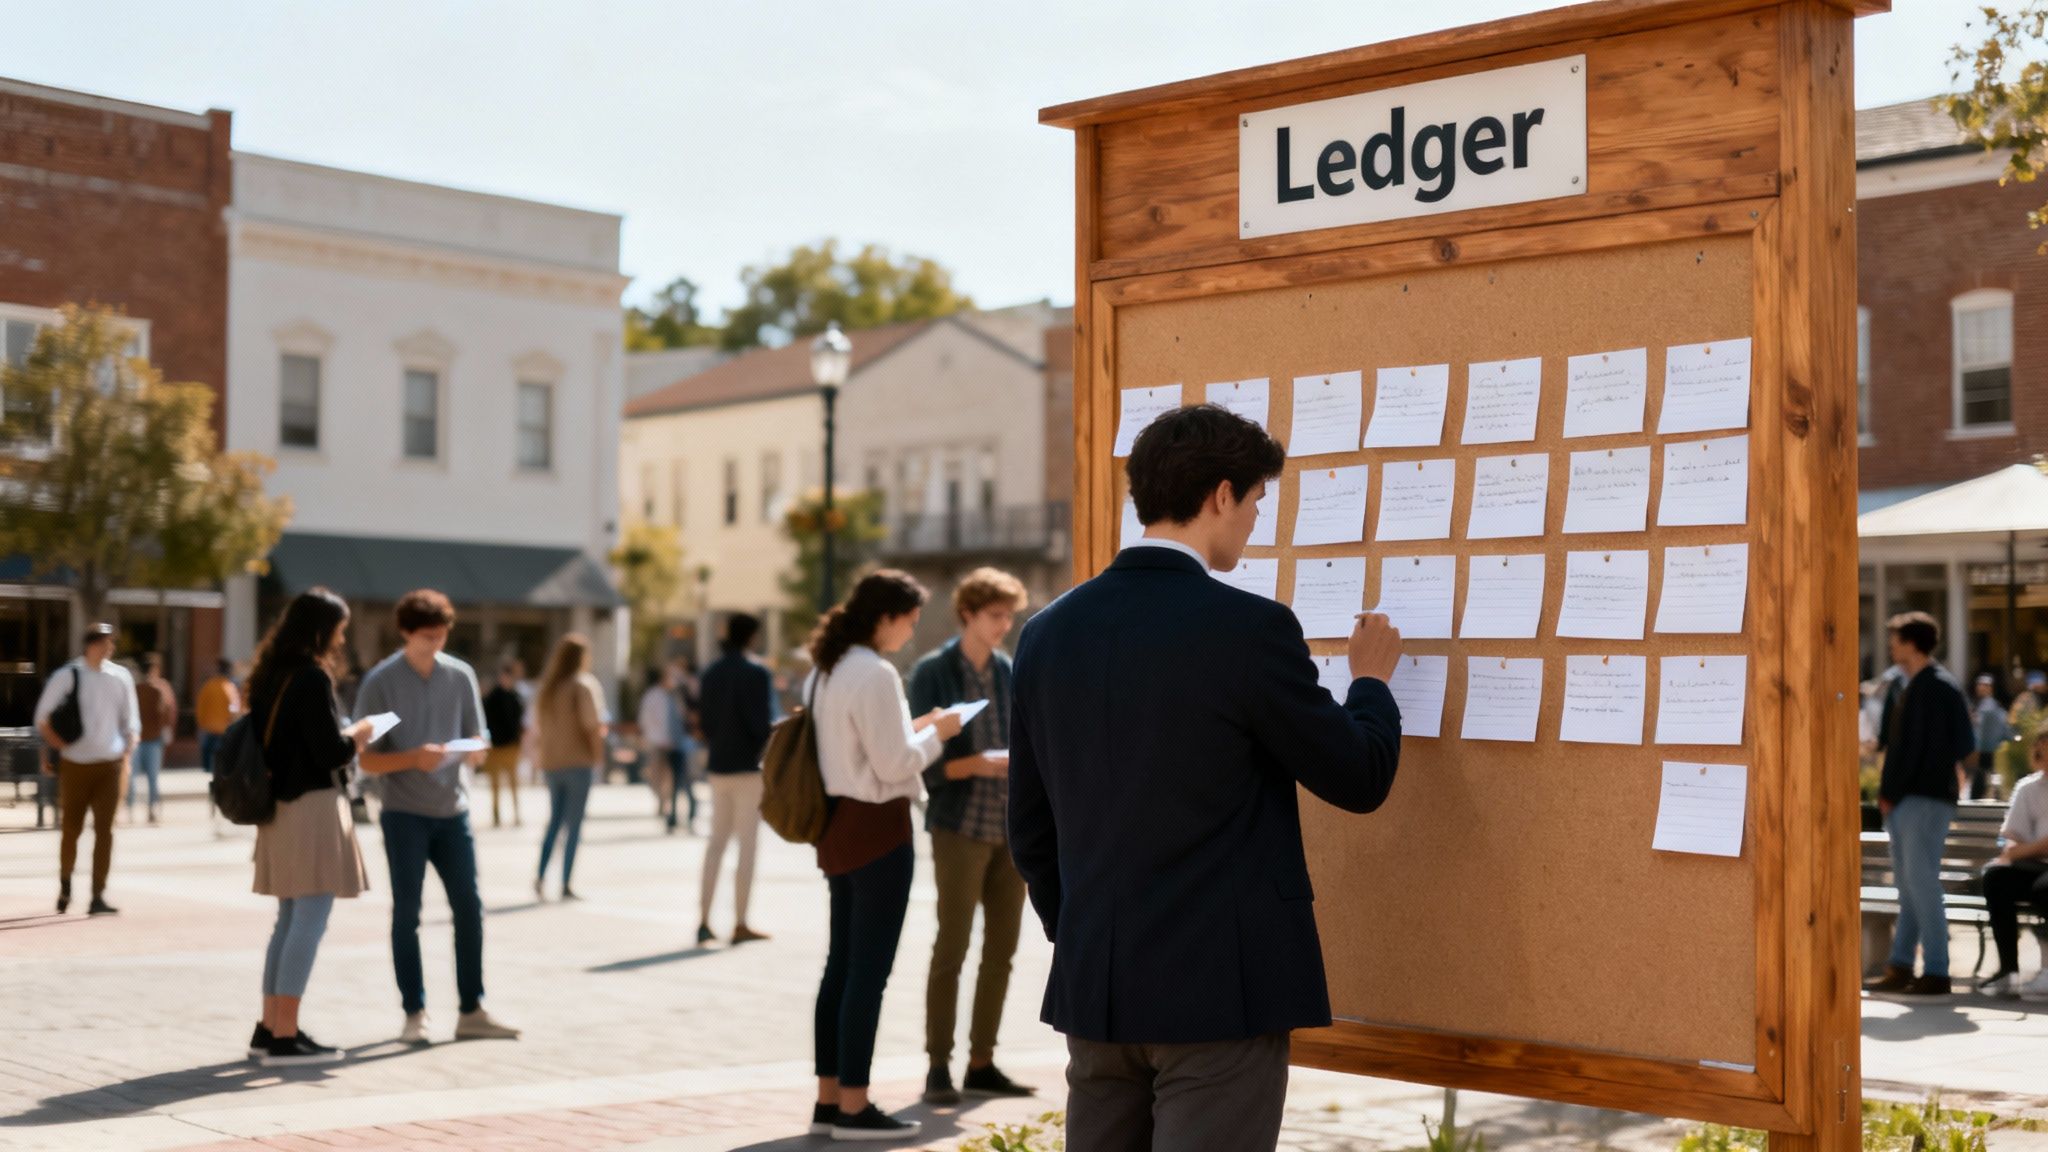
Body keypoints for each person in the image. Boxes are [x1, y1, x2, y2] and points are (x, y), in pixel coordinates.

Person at [1008, 404, 1404, 1150]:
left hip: (1098, 991)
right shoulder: (1249, 629)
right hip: (1220, 998)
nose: (1256, 520)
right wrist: (1371, 685)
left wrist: (1092, 937)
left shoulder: (1047, 632)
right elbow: (1358, 777)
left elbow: (1030, 831)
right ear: (1221, 494)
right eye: (1257, 500)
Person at [805, 572, 964, 1142]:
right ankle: (855, 1107)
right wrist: (941, 732)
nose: (913, 630)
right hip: (877, 829)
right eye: (911, 619)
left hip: (838, 825)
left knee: (841, 967)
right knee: (867, 974)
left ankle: (830, 1101)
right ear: (886, 616)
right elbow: (896, 764)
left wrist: (918, 727)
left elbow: (867, 747)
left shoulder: (829, 669)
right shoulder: (874, 672)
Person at [353, 589, 520, 1045]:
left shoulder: (459, 676)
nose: (436, 644)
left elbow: (476, 733)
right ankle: (415, 1013)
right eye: (427, 636)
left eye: (442, 634)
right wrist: (412, 759)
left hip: (454, 812)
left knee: (470, 908)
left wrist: (475, 751)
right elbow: (365, 758)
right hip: (404, 814)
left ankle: (472, 1009)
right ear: (406, 632)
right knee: (407, 912)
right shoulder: (383, 683)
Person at [908, 568, 1034, 1105]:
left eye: (1009, 615)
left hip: (1010, 828)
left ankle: (982, 1061)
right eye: (995, 615)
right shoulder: (934, 672)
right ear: (968, 614)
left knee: (1002, 950)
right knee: (952, 945)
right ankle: (939, 1063)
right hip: (959, 826)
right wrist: (978, 764)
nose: (1004, 624)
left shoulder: (1009, 670)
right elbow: (918, 762)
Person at [244, 588, 376, 1066]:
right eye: (339, 627)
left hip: (278, 810)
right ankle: (284, 1034)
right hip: (313, 808)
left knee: (287, 919)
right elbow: (330, 752)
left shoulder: (268, 676)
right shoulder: (311, 678)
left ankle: (269, 1026)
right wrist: (358, 734)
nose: (342, 637)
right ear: (321, 629)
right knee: (310, 918)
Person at [1864, 611, 1976, 997]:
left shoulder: (1941, 687)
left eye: (1895, 639)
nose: (1891, 646)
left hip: (1926, 799)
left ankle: (1937, 971)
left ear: (1912, 643)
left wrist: (1908, 783)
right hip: (1901, 800)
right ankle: (1900, 966)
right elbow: (1893, 745)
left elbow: (1963, 744)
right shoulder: (1903, 686)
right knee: (1909, 886)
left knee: (1922, 883)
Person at [36, 622, 141, 916]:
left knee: (105, 831)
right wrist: (60, 746)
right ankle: (66, 884)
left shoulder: (120, 677)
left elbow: (131, 719)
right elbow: (42, 716)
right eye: (104, 641)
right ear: (90, 644)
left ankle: (98, 894)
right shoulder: (68, 675)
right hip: (75, 764)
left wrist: (129, 745)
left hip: (109, 764)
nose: (109, 647)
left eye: (111, 642)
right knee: (71, 829)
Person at [698, 614, 774, 947]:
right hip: (747, 768)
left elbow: (704, 720)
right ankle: (740, 921)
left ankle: (704, 919)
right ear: (752, 636)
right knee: (746, 846)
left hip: (718, 765)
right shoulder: (756, 672)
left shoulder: (712, 672)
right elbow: (761, 724)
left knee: (716, 843)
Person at [534, 634, 607, 900]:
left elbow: (539, 729)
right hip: (577, 762)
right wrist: (599, 758)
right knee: (573, 825)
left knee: (554, 821)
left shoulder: (548, 688)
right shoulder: (582, 685)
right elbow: (592, 726)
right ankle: (565, 881)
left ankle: (541, 875)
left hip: (552, 762)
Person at [1978, 732, 2048, 1000]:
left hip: (2040, 873)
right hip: (2031, 866)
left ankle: (2046, 968)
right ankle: (2009, 970)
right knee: (1995, 877)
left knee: (2044, 889)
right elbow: (2009, 845)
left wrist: (2027, 849)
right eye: (2040, 751)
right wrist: (2038, 847)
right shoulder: (2027, 789)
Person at [128, 652, 176, 825]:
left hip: (137, 738)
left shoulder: (134, 689)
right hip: (154, 738)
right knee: (152, 778)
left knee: (131, 777)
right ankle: (151, 811)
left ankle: (130, 811)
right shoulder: (159, 689)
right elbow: (164, 713)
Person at [638, 663, 683, 833]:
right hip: (658, 743)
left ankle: (666, 804)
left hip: (672, 743)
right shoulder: (653, 696)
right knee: (657, 775)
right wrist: (657, 738)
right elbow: (647, 719)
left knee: (669, 778)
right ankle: (662, 802)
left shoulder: (673, 696)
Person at [481, 660, 526, 828]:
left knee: (514, 783)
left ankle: (516, 814)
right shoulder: (492, 697)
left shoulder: (516, 697)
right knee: (495, 784)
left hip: (511, 746)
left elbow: (519, 721)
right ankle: (496, 815)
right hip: (495, 746)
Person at [1972, 674, 2014, 801]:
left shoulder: (1988, 707)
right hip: (1989, 749)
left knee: (1983, 778)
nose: (1981, 688)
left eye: (1985, 686)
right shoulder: (1988, 706)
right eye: (1979, 685)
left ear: (1990, 688)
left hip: (1985, 749)